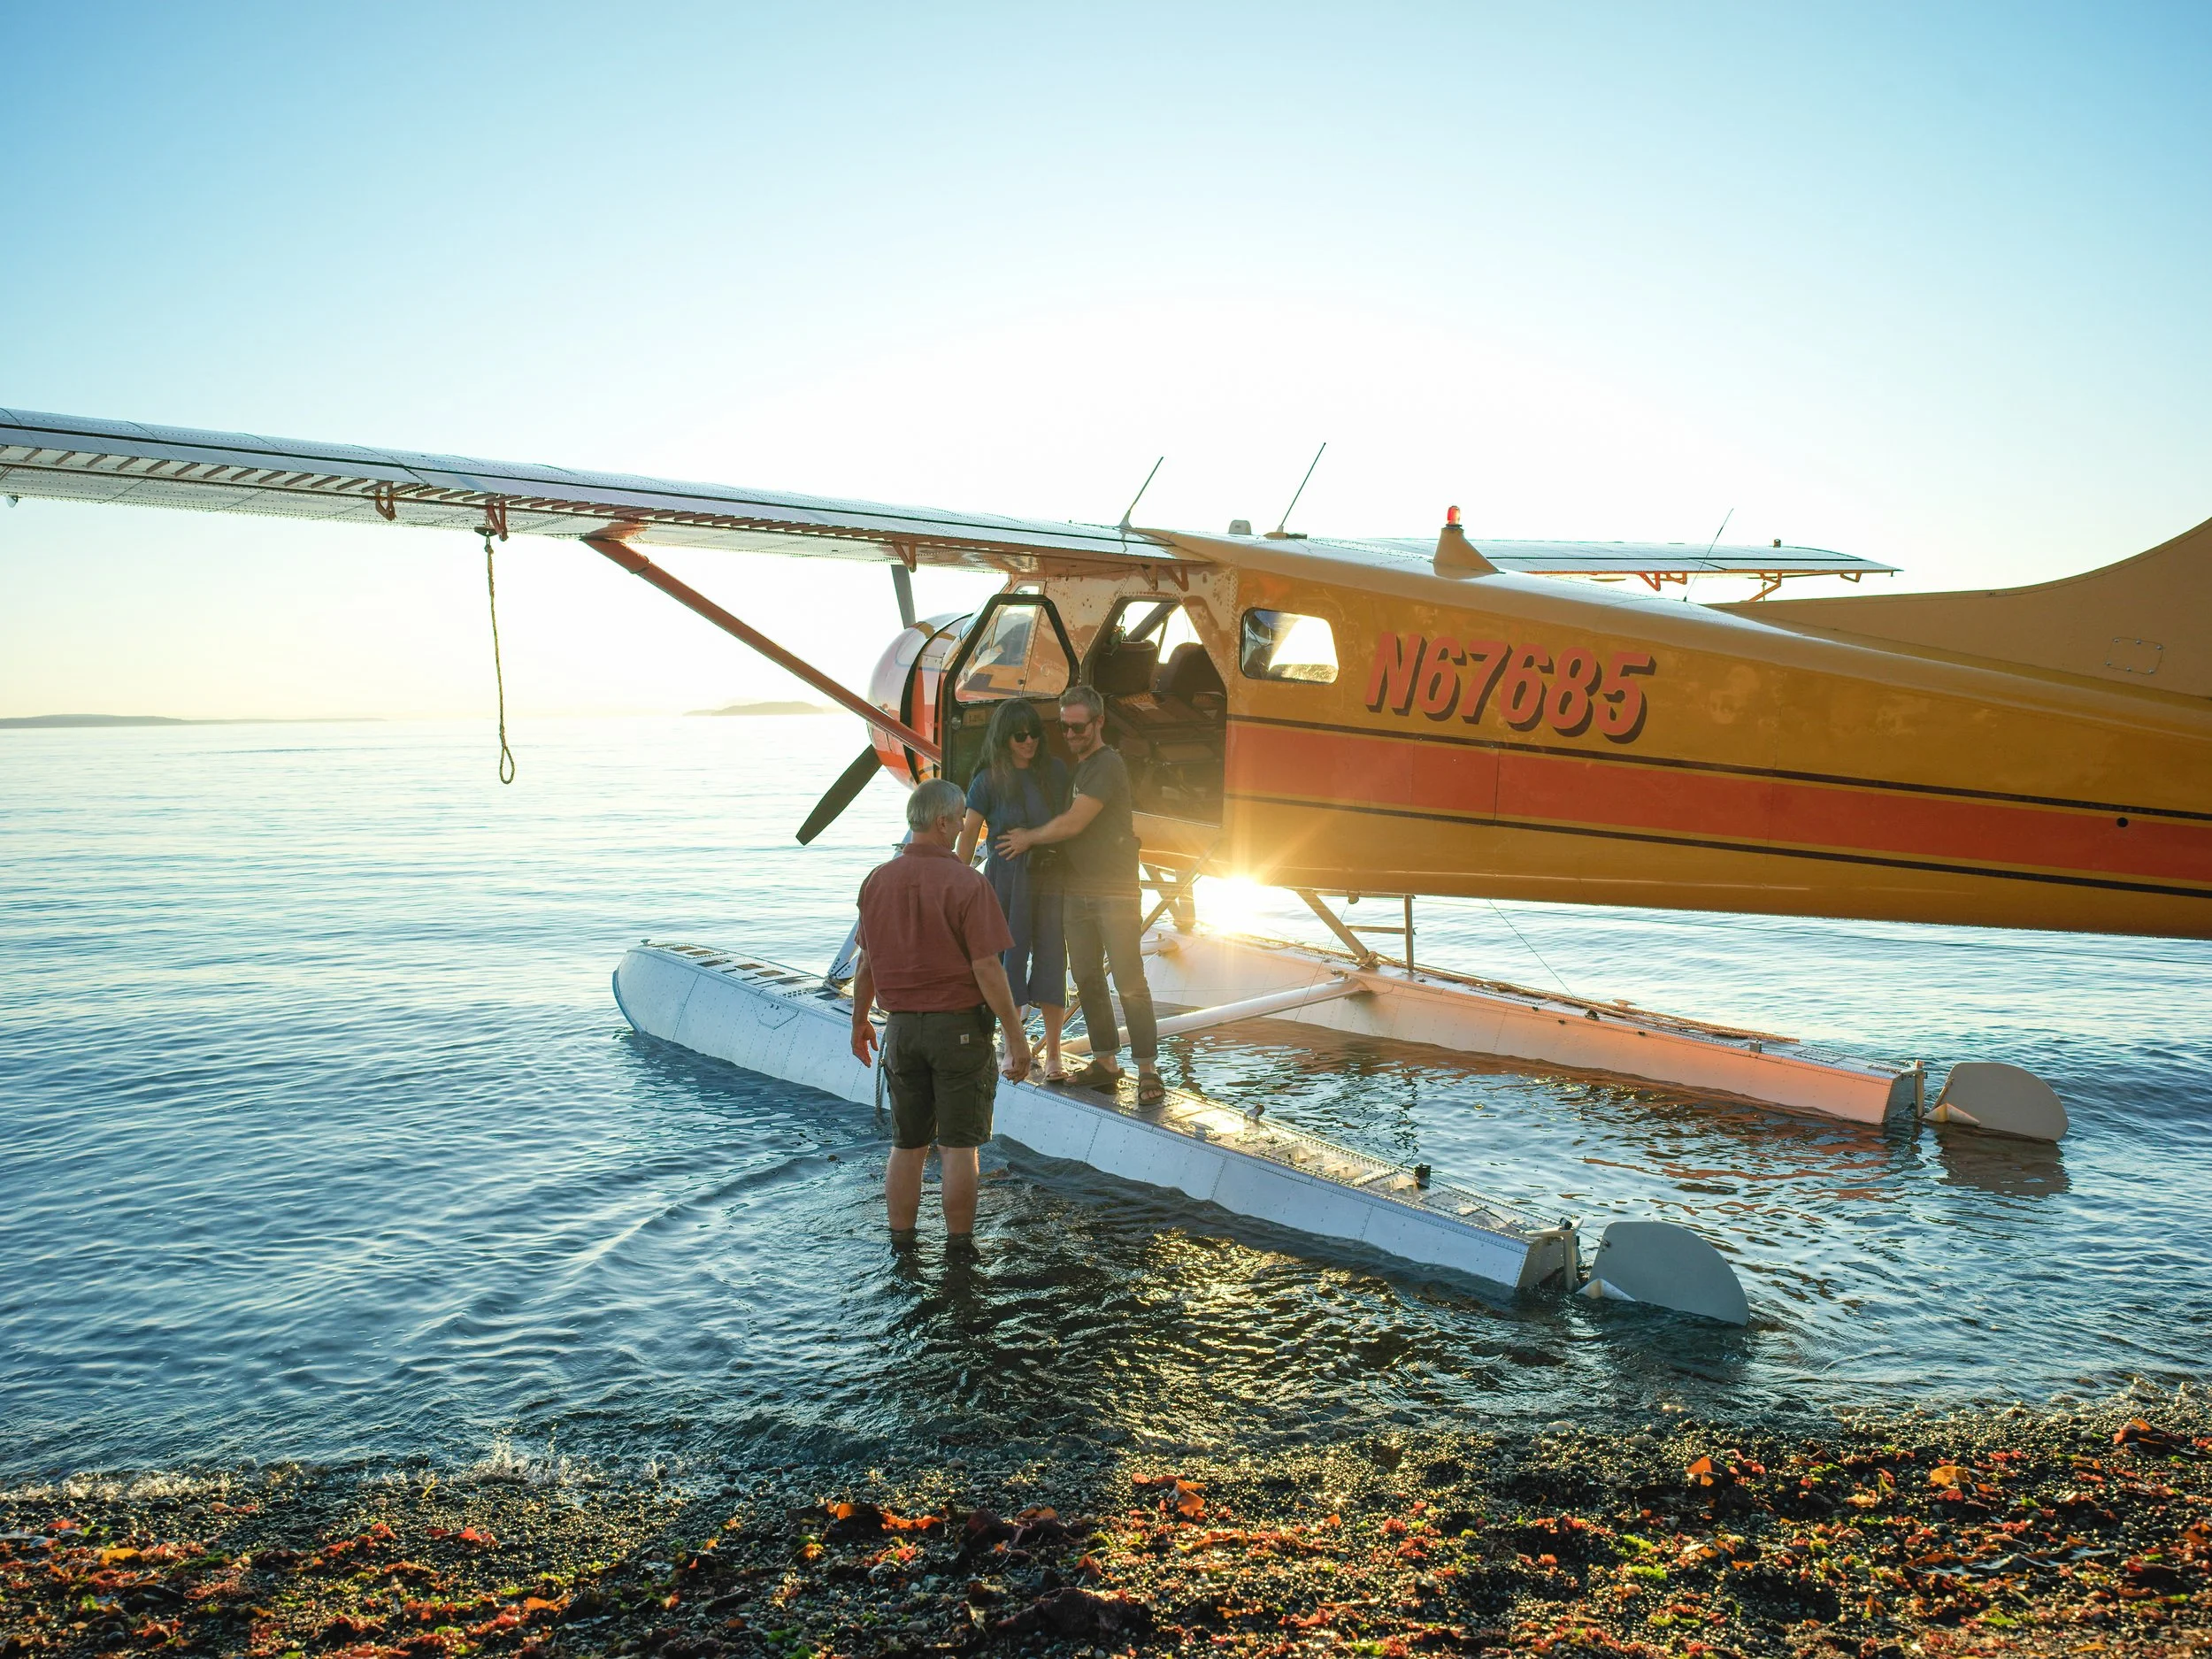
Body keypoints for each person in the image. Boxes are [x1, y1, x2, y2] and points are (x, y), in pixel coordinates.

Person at [849, 778, 1033, 1243]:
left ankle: (902, 1247)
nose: (964, 829)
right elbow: (988, 969)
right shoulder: (967, 883)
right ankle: (958, 1254)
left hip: (902, 1032)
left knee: (907, 1146)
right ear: (942, 821)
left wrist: (859, 1023)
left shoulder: (876, 881)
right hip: (960, 1032)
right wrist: (1016, 1037)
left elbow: (866, 963)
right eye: (960, 821)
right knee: (958, 1148)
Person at [995, 684, 1164, 1106]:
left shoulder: (1107, 765)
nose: (1070, 735)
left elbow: (1073, 823)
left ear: (1099, 722)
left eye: (1078, 727)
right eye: (1064, 727)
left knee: (1129, 980)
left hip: (1115, 891)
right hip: (1077, 888)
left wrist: (1027, 839)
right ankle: (1105, 1062)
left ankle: (1147, 1069)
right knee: (1087, 977)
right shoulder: (1078, 768)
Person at [956, 699, 1071, 1081]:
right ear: (1005, 738)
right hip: (1006, 882)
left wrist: (1032, 840)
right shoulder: (987, 780)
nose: (1029, 741)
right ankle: (1011, 1044)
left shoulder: (1054, 772)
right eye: (1020, 735)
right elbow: (969, 836)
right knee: (1010, 960)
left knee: (1053, 958)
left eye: (1035, 733)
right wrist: (959, 882)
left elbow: (1071, 820)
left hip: (1049, 876)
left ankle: (1054, 1054)